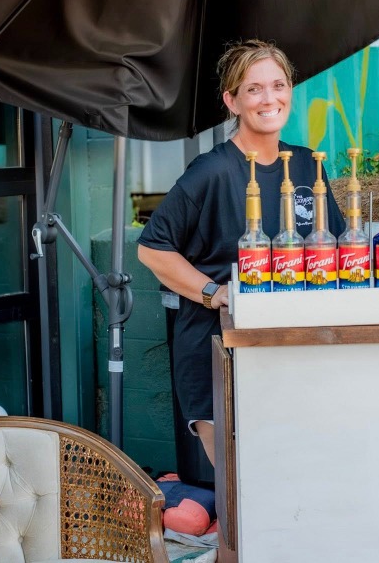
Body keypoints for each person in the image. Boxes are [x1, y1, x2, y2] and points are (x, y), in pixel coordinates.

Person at [137, 39, 345, 464]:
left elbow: (336, 248)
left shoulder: (309, 165)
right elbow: (153, 249)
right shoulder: (211, 171)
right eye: (253, 89)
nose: (269, 98)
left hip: (291, 349)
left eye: (278, 85)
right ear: (231, 101)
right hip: (219, 349)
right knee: (243, 489)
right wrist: (215, 291)